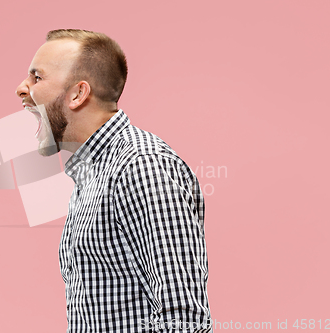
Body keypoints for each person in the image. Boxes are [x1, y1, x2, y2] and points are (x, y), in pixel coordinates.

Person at [16, 29, 212, 333]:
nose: (21, 88)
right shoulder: (93, 174)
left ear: (78, 94)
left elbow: (183, 321)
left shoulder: (141, 166)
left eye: (36, 78)